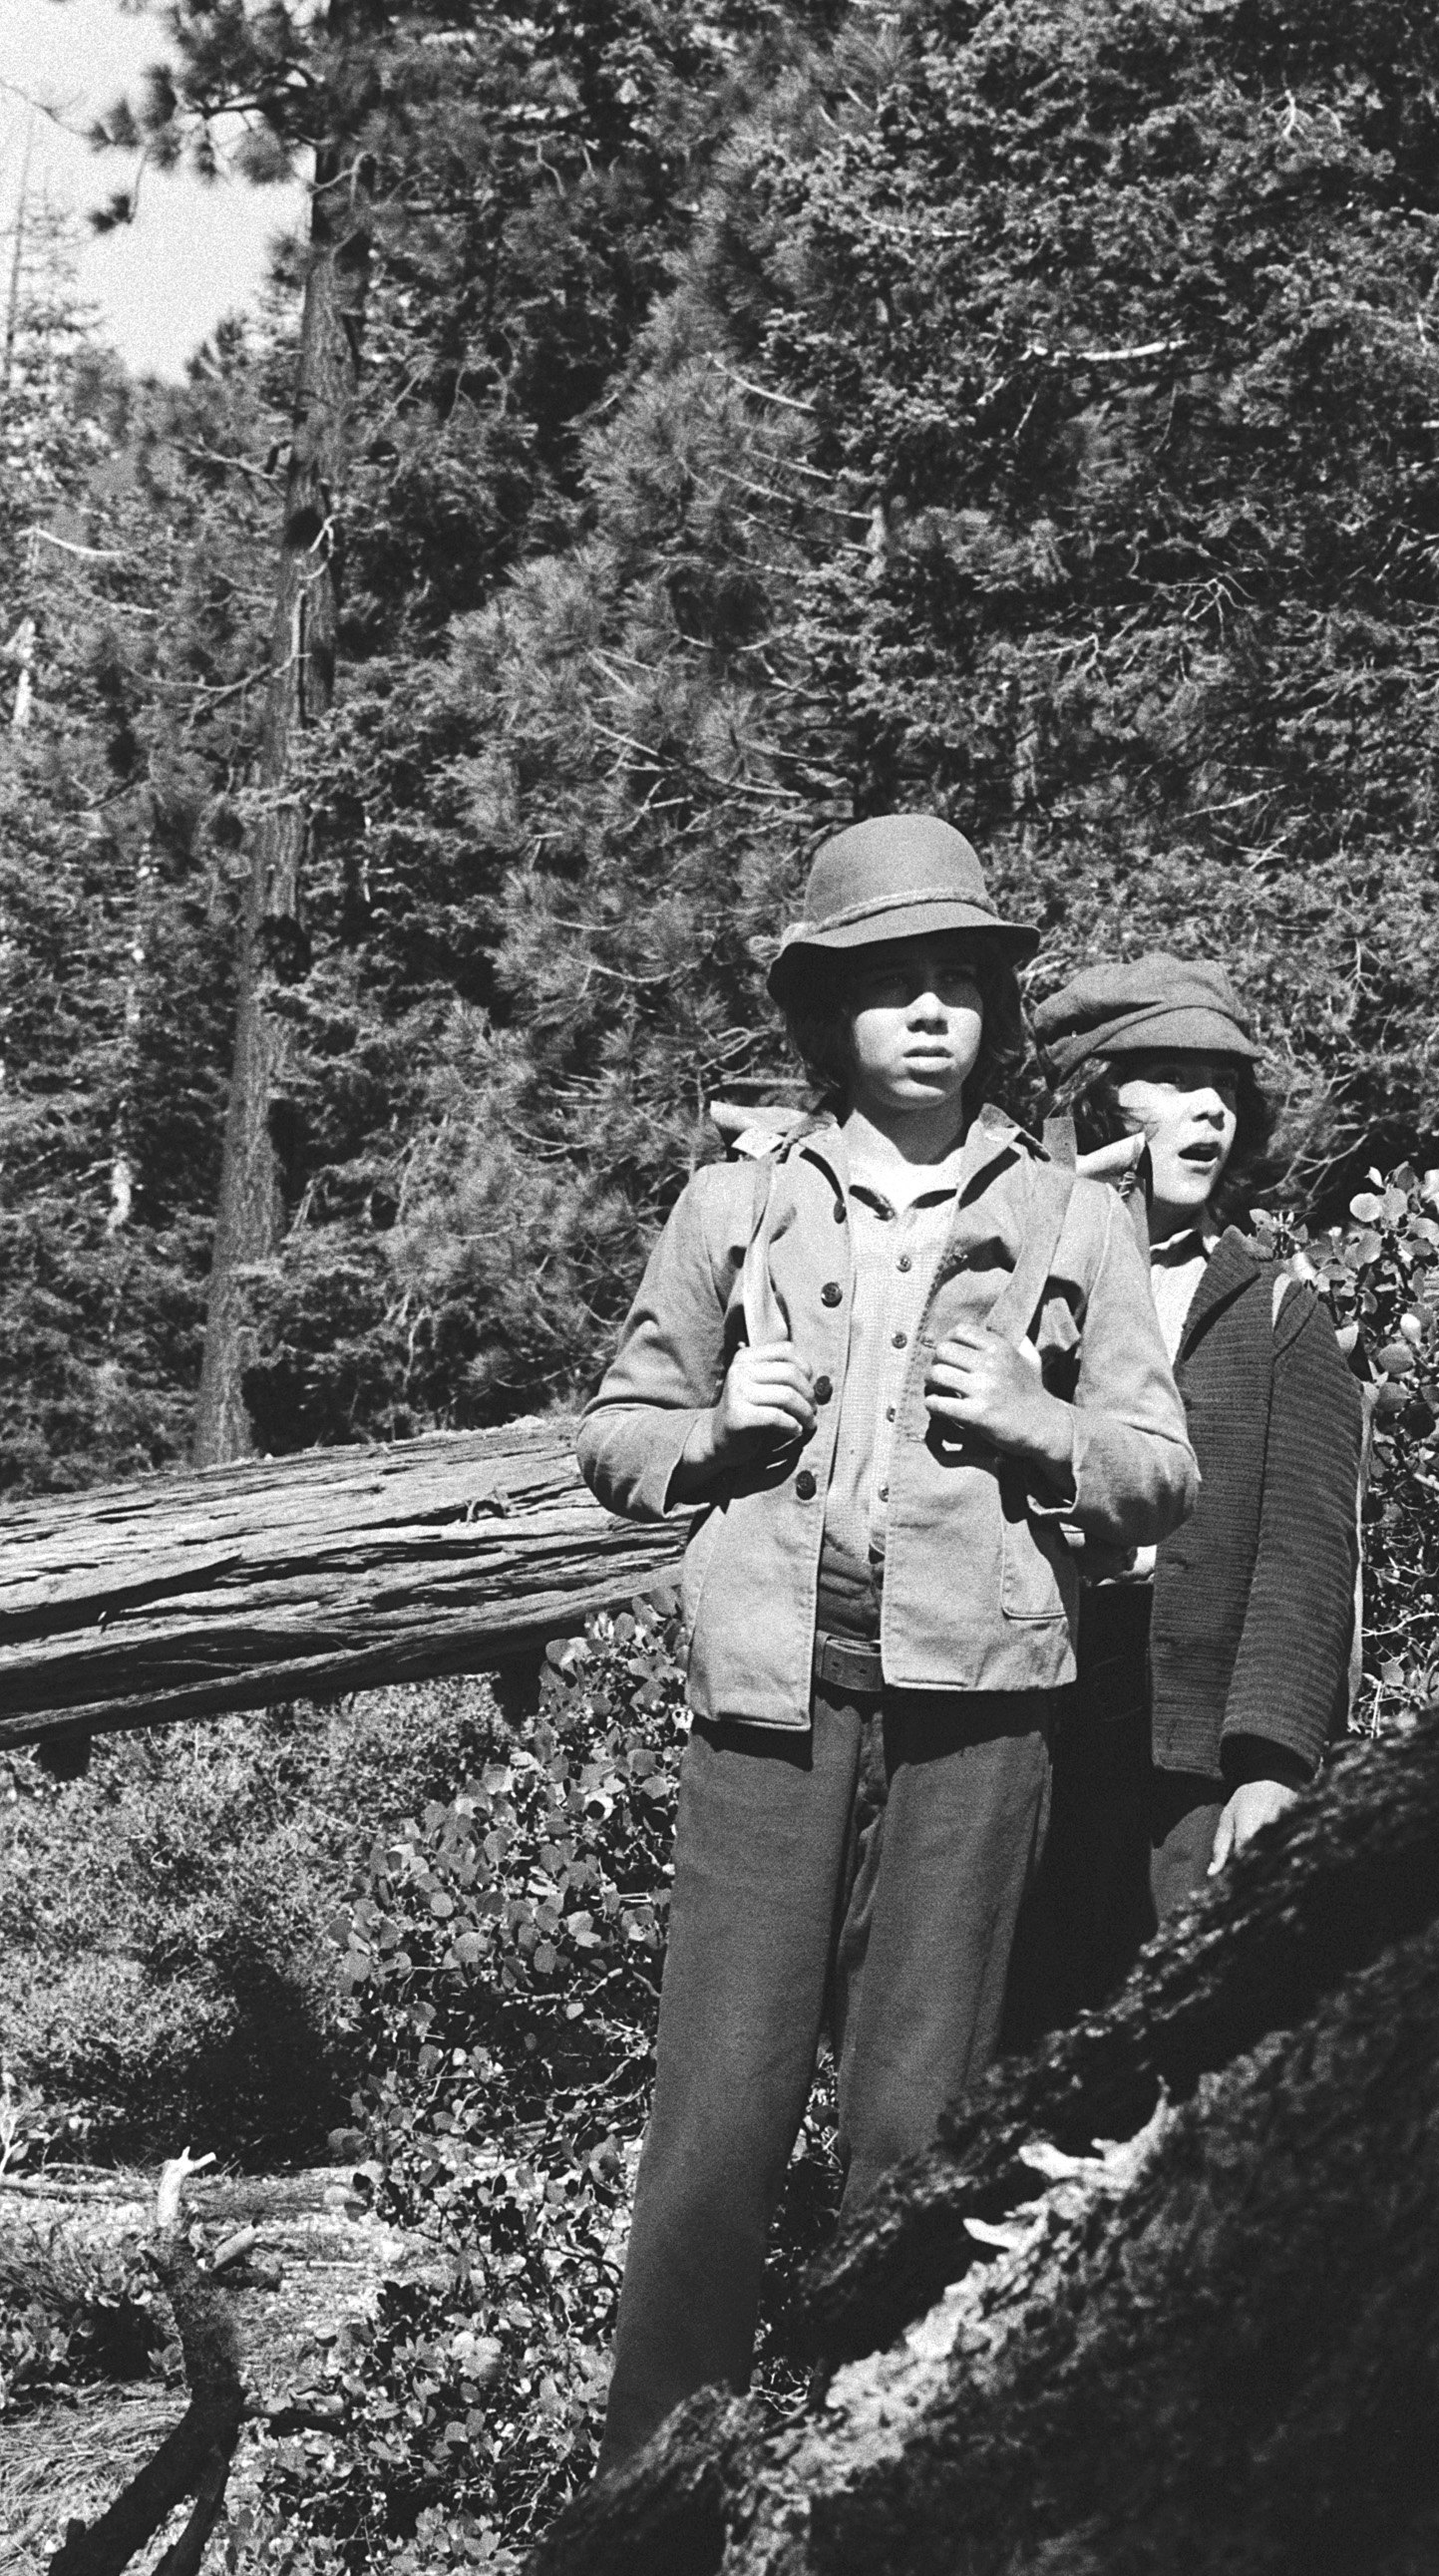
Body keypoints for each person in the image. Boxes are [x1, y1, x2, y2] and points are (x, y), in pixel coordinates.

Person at [576, 816, 1196, 2467]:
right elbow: (615, 1436)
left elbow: (1158, 1472)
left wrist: (1034, 1425)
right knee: (716, 2114)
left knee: (914, 2120)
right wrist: (713, 1432)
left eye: (958, 984)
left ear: (996, 1011)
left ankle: (861, 2473)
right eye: (886, 985)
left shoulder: (1080, 1218)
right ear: (821, 1012)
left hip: (978, 1715)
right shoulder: (736, 1203)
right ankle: (642, 2509)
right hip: (766, 1708)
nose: (928, 1013)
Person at [1008, 952, 1368, 2030]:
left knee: (1188, 2038)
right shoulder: (1013, 1286)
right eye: (1170, 1076)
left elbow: (1305, 1559)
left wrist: (1271, 1767)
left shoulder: (1274, 1315)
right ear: (1097, 1101)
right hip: (1026, 1737)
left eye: (1225, 1085)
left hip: (1194, 1760)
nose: (1209, 1106)